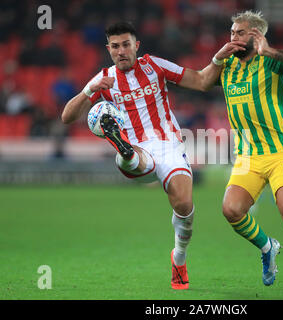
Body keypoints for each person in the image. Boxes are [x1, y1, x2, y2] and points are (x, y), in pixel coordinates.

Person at [61, 21, 243, 290]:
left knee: (184, 205)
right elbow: (67, 117)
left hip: (169, 145)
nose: (121, 51)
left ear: (136, 45)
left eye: (126, 44)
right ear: (108, 49)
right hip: (139, 148)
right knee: (133, 157)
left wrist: (218, 57)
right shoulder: (104, 78)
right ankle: (122, 148)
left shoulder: (155, 66)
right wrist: (90, 90)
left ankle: (179, 258)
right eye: (115, 46)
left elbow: (203, 81)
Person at [202, 10, 283, 294]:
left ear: (256, 35)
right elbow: (201, 81)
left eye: (240, 32)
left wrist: (269, 50)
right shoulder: (228, 66)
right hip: (247, 156)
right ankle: (268, 247)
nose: (233, 37)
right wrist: (217, 58)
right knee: (231, 210)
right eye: (231, 32)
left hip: (280, 152)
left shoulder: (270, 61)